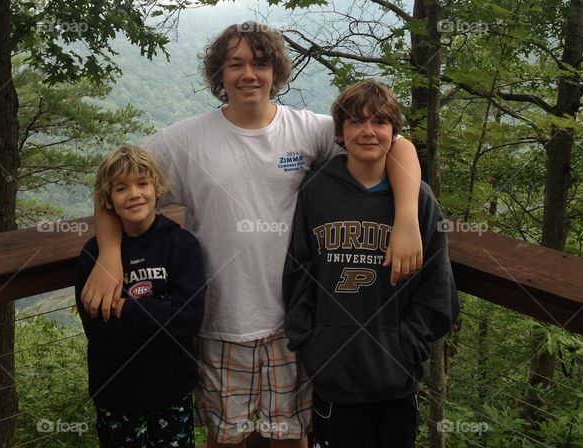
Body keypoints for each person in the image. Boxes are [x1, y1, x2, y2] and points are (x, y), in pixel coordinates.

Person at [81, 23, 424, 448]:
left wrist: (407, 219)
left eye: (260, 63)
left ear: (276, 71)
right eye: (236, 64)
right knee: (225, 440)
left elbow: (398, 147)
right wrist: (110, 255)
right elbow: (111, 180)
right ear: (219, 74)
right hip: (220, 324)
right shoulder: (186, 140)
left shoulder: (307, 130)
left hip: (292, 325)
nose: (249, 74)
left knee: (290, 439)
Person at [282, 81, 459, 448]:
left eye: (379, 122)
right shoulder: (317, 191)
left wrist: (407, 347)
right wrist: (309, 342)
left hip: (395, 377)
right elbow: (299, 272)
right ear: (340, 133)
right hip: (333, 372)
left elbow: (438, 289)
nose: (367, 131)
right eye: (356, 122)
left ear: (394, 133)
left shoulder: (417, 201)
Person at [75, 145, 205, 448]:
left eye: (142, 183)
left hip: (171, 390)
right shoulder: (93, 257)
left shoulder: (181, 245)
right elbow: (98, 330)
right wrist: (160, 314)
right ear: (107, 199)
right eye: (121, 188)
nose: (134, 194)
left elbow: (187, 319)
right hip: (116, 394)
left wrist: (124, 308)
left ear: (156, 187)